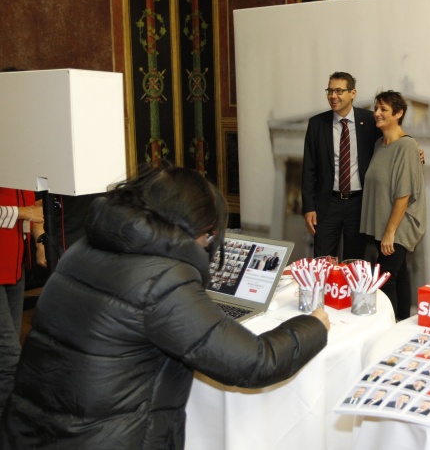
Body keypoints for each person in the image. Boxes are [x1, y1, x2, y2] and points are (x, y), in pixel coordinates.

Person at [0, 165, 329, 449]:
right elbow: (254, 362)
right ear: (191, 226)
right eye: (208, 234)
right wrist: (313, 325)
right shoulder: (164, 278)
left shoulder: (82, 249)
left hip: (32, 431)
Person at [302, 72, 382, 262]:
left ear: (353, 93)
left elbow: (393, 137)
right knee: (323, 261)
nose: (333, 96)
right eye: (330, 91)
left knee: (353, 262)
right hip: (327, 204)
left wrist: (413, 147)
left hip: (359, 204)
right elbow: (308, 169)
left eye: (338, 91)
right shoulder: (317, 124)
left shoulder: (369, 120)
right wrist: (309, 207)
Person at [360, 90, 426, 320]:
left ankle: (388, 329)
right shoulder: (379, 145)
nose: (377, 113)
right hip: (387, 224)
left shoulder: (407, 146)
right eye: (376, 108)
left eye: (384, 109)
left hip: (399, 225)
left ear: (398, 114)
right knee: (399, 275)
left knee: (384, 279)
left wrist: (390, 232)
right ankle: (402, 323)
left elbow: (404, 194)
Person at [0, 189, 45, 418]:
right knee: (9, 358)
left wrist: (40, 242)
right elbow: (30, 211)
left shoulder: (20, 172)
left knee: (8, 353)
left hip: (14, 269)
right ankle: (13, 427)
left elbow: (35, 210)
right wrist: (24, 213)